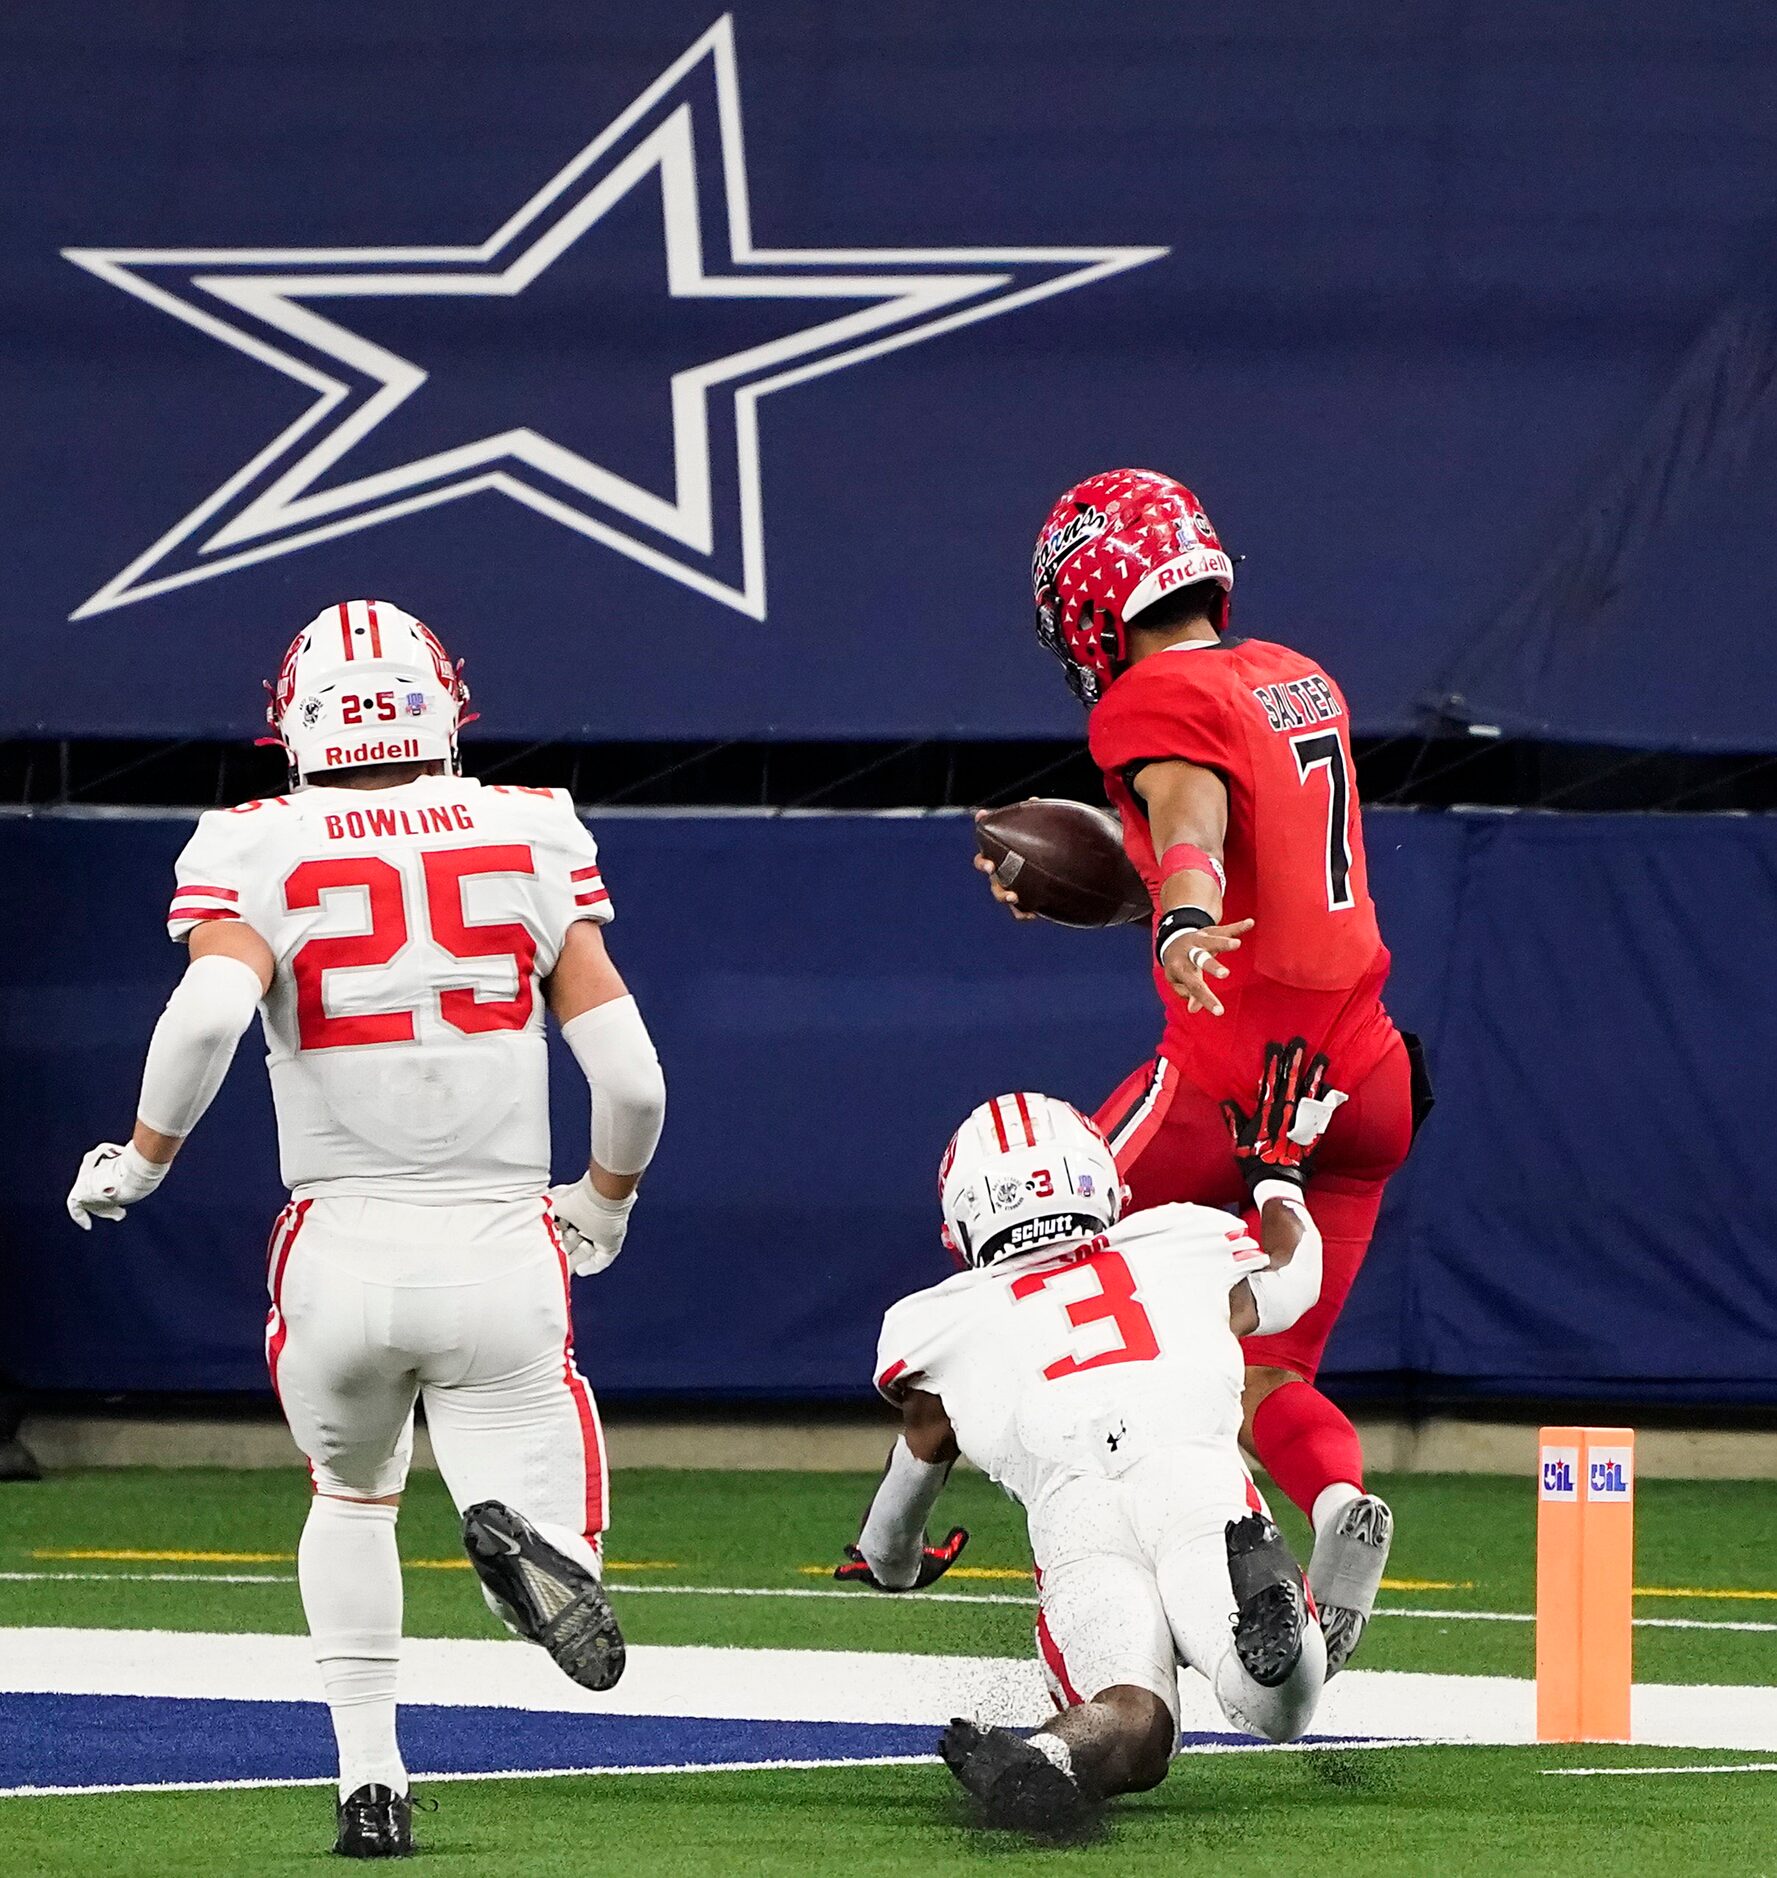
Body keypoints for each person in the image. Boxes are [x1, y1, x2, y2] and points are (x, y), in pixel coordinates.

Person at [65, 601, 667, 1859]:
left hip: (339, 1250)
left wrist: (142, 1161)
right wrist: (601, 1203)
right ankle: (546, 1555)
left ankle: (370, 1780)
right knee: (552, 1526)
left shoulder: (251, 841)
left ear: (297, 719)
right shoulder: (530, 828)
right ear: (444, 704)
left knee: (349, 1498)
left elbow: (208, 1019)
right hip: (503, 1247)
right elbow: (633, 1082)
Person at [976, 468, 1434, 1673]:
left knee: (1028, 1236)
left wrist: (1178, 911)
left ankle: (1087, 1567)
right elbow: (1265, 863)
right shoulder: (1296, 675)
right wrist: (1148, 904)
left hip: (1234, 1072)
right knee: (1262, 1359)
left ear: (1089, 599)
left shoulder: (1149, 696)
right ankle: (1337, 1508)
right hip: (1366, 1077)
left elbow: (1193, 819)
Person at [835, 1073, 1329, 1838]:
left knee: (1133, 1719)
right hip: (1198, 1490)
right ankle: (1272, 1613)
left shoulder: (939, 1322)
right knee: (1271, 1707)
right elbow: (1296, 1279)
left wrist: (891, 1564)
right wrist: (1278, 1179)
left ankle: (1052, 1752)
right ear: (1097, 1179)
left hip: (1078, 1526)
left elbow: (908, 1487)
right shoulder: (1181, 1242)